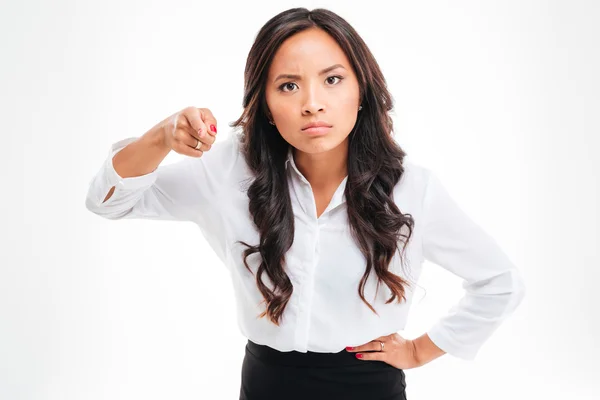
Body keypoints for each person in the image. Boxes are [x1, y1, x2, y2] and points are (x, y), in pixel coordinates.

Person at [85, 7, 526, 400]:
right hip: (266, 382)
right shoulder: (228, 173)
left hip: (369, 386)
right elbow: (109, 202)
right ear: (267, 104)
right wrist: (161, 136)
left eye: (332, 79)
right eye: (289, 85)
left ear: (361, 90)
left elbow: (500, 281)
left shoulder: (412, 189)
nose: (312, 104)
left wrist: (419, 351)